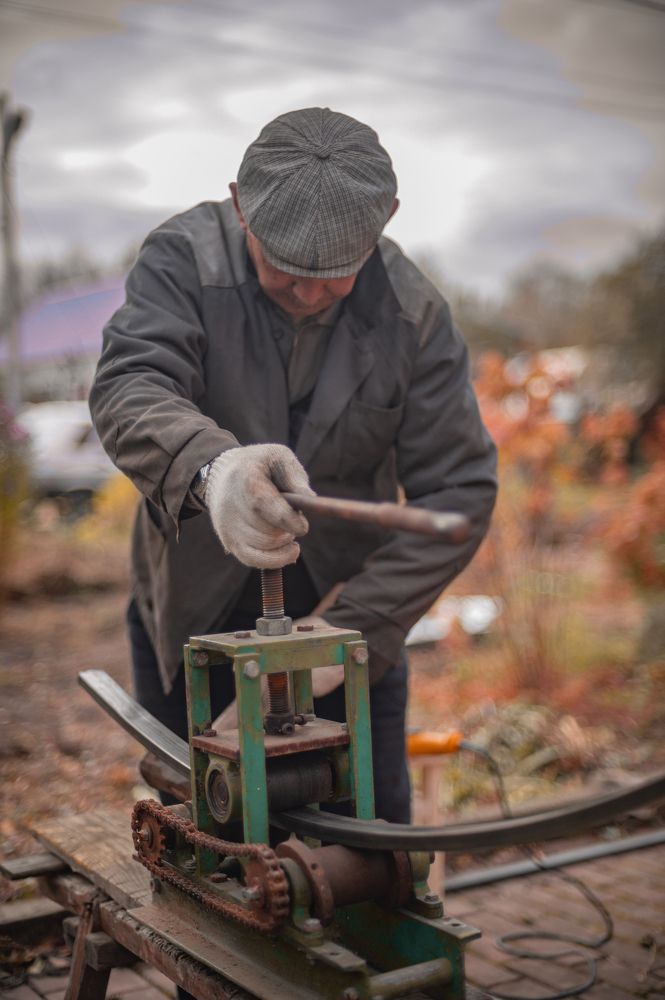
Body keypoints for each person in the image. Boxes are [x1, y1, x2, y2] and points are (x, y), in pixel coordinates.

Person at [90, 106, 497, 827]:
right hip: (189, 613)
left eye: (336, 273)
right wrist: (212, 471)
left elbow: (459, 491)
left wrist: (355, 627)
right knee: (203, 845)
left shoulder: (415, 315)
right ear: (241, 202)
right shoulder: (182, 260)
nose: (309, 292)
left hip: (347, 625)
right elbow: (130, 386)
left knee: (370, 853)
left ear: (386, 218)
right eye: (284, 265)